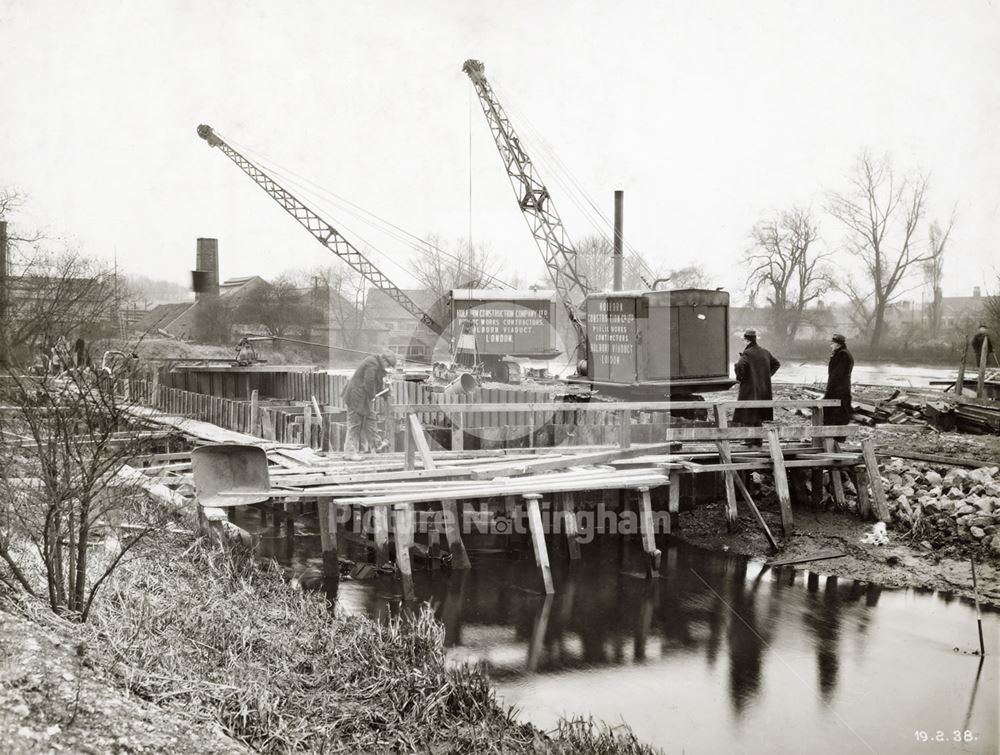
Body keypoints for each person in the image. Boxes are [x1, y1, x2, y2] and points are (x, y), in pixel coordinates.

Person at [342, 350, 397, 457]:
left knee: (370, 419)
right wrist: (373, 395)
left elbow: (376, 383)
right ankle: (349, 453)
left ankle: (377, 444)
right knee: (354, 424)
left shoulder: (377, 365)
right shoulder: (372, 363)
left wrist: (383, 394)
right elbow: (369, 381)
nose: (387, 367)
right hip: (355, 397)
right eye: (388, 365)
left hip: (363, 397)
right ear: (384, 360)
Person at [733, 329, 780, 428]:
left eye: (743, 340)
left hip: (750, 388)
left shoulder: (747, 353)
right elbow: (776, 364)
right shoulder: (765, 352)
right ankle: (758, 441)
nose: (743, 342)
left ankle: (750, 441)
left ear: (747, 340)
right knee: (759, 414)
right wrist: (767, 375)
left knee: (748, 414)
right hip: (763, 388)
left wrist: (740, 378)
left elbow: (739, 366)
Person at [823, 333, 854, 426]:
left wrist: (829, 389)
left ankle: (835, 437)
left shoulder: (842, 354)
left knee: (835, 413)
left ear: (838, 344)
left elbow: (837, 375)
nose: (831, 345)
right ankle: (834, 437)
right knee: (837, 413)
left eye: (832, 343)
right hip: (840, 389)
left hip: (838, 390)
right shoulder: (842, 353)